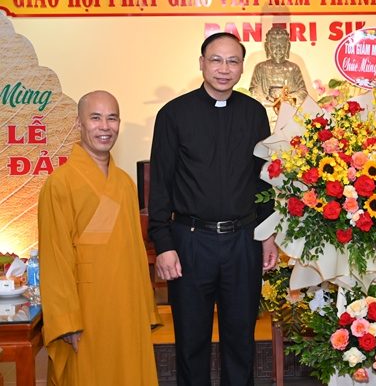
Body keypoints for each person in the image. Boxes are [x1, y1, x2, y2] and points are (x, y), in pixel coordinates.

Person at [148, 32, 278, 386]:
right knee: (191, 341)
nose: (224, 69)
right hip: (190, 242)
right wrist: (164, 243)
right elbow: (160, 184)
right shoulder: (173, 114)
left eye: (233, 61)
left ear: (242, 68)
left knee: (241, 339)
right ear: (202, 63)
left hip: (242, 241)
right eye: (216, 60)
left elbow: (263, 180)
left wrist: (267, 234)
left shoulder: (254, 113)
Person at [38, 90, 159, 386]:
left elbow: (135, 251)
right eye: (95, 118)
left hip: (127, 305)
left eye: (112, 118)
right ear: (79, 123)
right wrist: (66, 321)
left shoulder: (125, 184)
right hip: (86, 311)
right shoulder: (59, 184)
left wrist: (145, 308)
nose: (105, 126)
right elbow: (55, 258)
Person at [249, 26, 309, 127]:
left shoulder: (293, 68)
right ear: (267, 46)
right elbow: (254, 92)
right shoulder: (261, 68)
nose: (278, 49)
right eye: (274, 46)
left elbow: (303, 93)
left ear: (288, 47)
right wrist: (271, 102)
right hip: (268, 111)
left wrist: (286, 99)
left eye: (282, 46)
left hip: (289, 111)